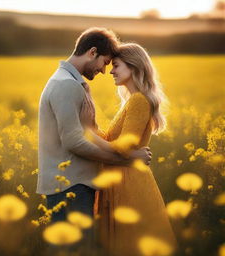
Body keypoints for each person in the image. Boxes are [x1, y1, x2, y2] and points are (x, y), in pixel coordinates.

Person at [36, 28, 152, 254]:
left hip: (73, 185)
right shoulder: (65, 84)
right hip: (70, 186)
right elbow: (74, 143)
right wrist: (125, 160)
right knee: (74, 250)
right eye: (105, 62)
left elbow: (86, 133)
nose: (104, 70)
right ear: (92, 52)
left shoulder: (70, 81)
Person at [80, 43, 178, 256]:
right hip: (121, 177)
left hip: (129, 182)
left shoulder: (139, 101)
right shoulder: (131, 101)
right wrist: (91, 123)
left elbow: (123, 146)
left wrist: (88, 131)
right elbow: (111, 141)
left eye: (116, 66)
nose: (111, 71)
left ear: (134, 67)